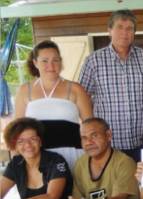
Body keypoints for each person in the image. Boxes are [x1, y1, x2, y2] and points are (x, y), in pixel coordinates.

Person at [78, 10, 143, 163]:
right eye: (119, 27)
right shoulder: (93, 61)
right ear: (110, 31)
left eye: (129, 28)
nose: (124, 32)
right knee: (114, 186)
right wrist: (92, 133)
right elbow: (82, 99)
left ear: (134, 33)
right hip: (110, 143)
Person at [13, 40, 93, 172]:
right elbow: (16, 132)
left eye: (55, 60)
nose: (51, 65)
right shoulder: (24, 90)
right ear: (35, 63)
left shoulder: (75, 88)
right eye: (45, 60)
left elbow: (90, 126)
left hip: (72, 154)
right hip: (37, 156)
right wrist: (16, 164)